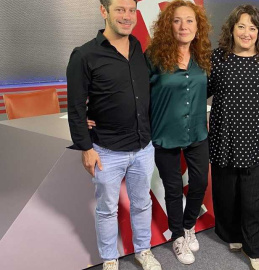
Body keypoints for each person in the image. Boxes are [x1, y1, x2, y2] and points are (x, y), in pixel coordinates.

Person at [66, 0, 161, 270]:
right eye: (120, 9)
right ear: (104, 11)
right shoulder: (84, 55)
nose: (127, 16)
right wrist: (86, 147)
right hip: (106, 150)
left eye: (131, 10)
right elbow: (75, 108)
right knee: (107, 209)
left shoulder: (137, 47)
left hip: (143, 146)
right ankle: (110, 258)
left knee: (142, 204)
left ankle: (143, 251)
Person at [208, 5, 259, 270]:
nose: (247, 32)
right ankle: (232, 234)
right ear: (232, 28)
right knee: (227, 194)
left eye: (253, 28)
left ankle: (255, 249)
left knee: (256, 200)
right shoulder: (217, 58)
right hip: (225, 139)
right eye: (242, 26)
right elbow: (198, 91)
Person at [146, 0, 211, 265]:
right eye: (176, 20)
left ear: (198, 26)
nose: (183, 26)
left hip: (196, 130)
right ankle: (177, 237)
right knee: (172, 189)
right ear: (167, 25)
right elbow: (138, 94)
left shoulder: (203, 56)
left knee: (199, 183)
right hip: (165, 132)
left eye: (189, 20)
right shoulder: (153, 57)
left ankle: (188, 226)